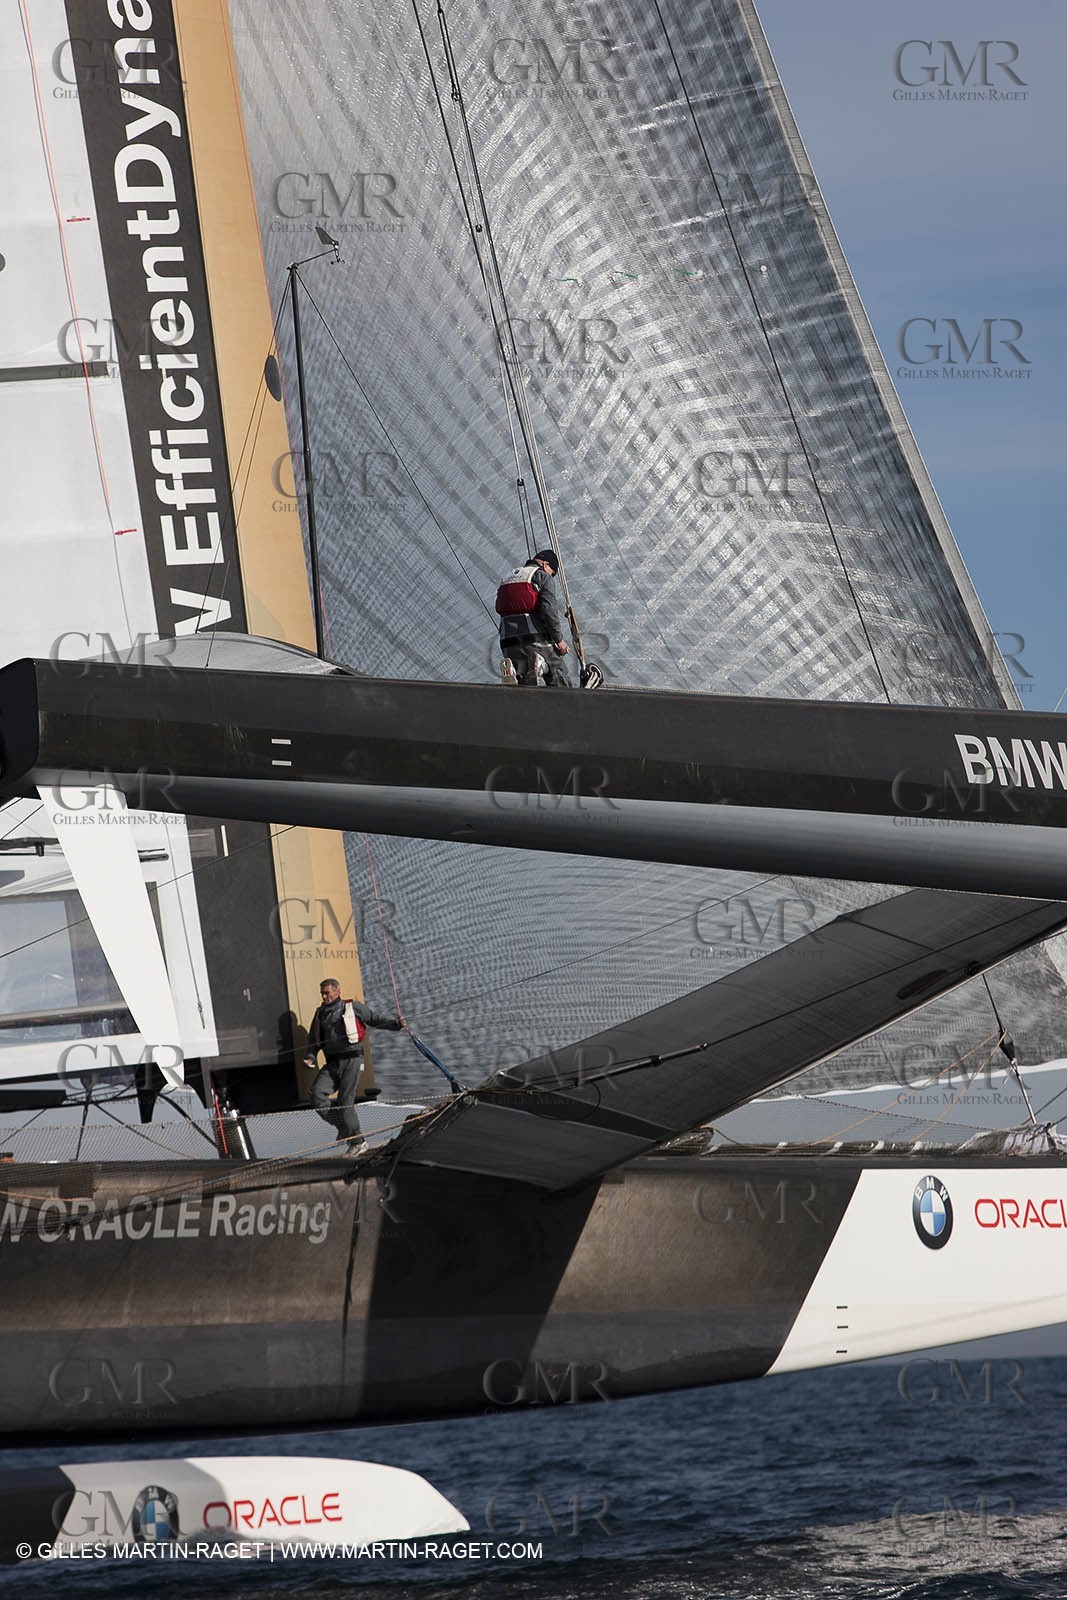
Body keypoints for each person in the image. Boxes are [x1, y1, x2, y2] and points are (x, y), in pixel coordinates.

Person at [304, 978, 404, 1147]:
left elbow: (375, 1019)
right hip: (332, 1064)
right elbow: (314, 1041)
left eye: (327, 993)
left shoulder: (353, 1007)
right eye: (322, 993)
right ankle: (344, 1127)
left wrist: (395, 1025)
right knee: (316, 1095)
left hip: (352, 1061)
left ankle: (358, 1143)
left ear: (337, 991)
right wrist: (311, 1056)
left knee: (345, 1101)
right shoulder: (320, 1013)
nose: (324, 996)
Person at [495, 548, 572, 686]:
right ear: (545, 564)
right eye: (552, 573)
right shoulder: (542, 576)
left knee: (526, 684)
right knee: (558, 673)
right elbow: (548, 610)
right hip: (533, 639)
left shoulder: (507, 577)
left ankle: (514, 670)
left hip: (507, 642)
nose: (551, 576)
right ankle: (542, 665)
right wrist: (559, 640)